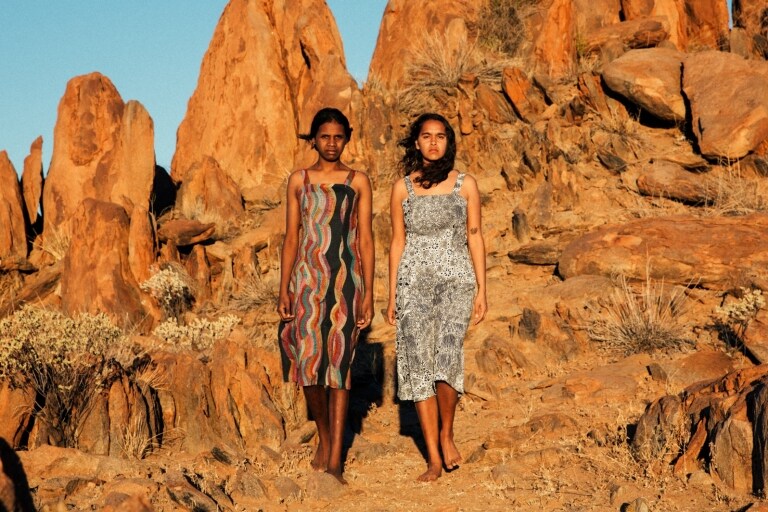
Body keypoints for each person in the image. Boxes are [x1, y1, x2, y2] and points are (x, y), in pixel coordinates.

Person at [387, 112, 487, 482]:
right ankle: (432, 458)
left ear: (449, 141)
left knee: (447, 357)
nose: (433, 142)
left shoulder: (465, 184)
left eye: (440, 136)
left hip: (457, 281)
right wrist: (391, 295)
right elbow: (397, 242)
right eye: (426, 136)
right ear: (416, 142)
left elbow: (475, 235)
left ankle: (447, 433)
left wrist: (482, 289)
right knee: (419, 366)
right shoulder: (402, 189)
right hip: (414, 283)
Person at [278, 107, 374, 484]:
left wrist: (368, 292)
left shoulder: (358, 181)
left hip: (346, 281)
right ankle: (325, 434)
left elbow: (365, 239)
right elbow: (291, 237)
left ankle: (335, 461)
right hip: (307, 281)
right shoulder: (299, 180)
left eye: (338, 137)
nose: (332, 143)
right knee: (309, 365)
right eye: (324, 137)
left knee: (339, 366)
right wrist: (284, 288)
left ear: (346, 138)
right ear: (314, 140)